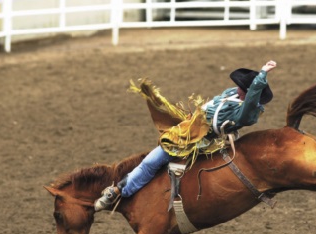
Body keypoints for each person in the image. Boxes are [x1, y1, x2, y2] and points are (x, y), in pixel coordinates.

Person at [94, 60, 277, 211]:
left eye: (243, 88)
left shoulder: (247, 112)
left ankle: (118, 192)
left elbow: (251, 99)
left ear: (251, 93)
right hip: (192, 125)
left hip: (199, 137)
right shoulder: (233, 95)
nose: (238, 89)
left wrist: (262, 74)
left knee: (152, 161)